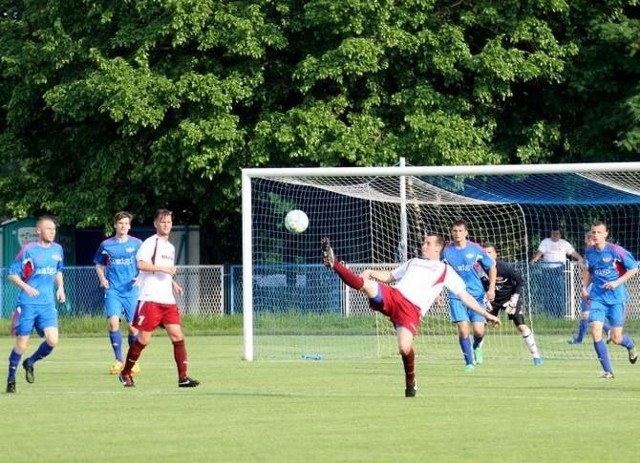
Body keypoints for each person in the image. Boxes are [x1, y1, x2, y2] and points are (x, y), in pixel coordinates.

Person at [321, 235, 501, 398]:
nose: (424, 245)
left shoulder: (445, 271)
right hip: (394, 295)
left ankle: (411, 382)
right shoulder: (413, 261)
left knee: (404, 349)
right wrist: (370, 271)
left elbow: (465, 297)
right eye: (424, 242)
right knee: (365, 285)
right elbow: (389, 276)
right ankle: (335, 263)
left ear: (438, 248)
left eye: (428, 243)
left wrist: (486, 314)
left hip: (411, 310)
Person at [118, 209, 199, 388]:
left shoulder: (170, 247)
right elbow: (141, 264)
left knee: (178, 336)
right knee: (144, 339)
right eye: (162, 222)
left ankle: (183, 377)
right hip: (150, 298)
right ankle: (125, 372)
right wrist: (164, 269)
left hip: (167, 300)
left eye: (169, 222)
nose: (166, 225)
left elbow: (166, 271)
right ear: (155, 223)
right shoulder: (150, 242)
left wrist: (173, 283)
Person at [5, 215, 66, 394]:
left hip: (47, 304)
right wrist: (26, 287)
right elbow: (12, 274)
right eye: (48, 229)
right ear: (39, 231)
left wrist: (61, 287)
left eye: (54, 229)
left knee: (53, 340)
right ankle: (11, 379)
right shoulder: (28, 250)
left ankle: (30, 362)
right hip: (28, 303)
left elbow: (58, 270)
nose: (52, 232)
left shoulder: (57, 249)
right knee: (22, 344)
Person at [582, 221, 638, 379]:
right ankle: (608, 371)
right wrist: (584, 288)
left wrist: (616, 282)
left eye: (599, 232)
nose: (595, 235)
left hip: (616, 299)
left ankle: (631, 345)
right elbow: (588, 271)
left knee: (616, 338)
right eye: (593, 232)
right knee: (595, 331)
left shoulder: (616, 250)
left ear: (606, 234)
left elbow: (634, 268)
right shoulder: (589, 252)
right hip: (598, 298)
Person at [442, 219, 497, 371]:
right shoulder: (446, 251)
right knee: (463, 329)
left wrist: (491, 288)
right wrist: (437, 293)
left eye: (460, 231)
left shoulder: (476, 249)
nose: (457, 234)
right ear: (451, 232)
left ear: (466, 232)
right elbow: (439, 272)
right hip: (456, 295)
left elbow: (492, 266)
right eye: (454, 231)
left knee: (479, 331)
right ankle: (469, 362)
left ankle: (477, 345)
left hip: (476, 295)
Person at [94, 211, 143, 375]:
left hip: (131, 291)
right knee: (113, 323)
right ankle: (118, 360)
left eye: (126, 224)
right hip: (113, 290)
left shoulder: (137, 244)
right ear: (115, 225)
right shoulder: (106, 245)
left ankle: (133, 362)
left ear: (130, 226)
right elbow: (99, 265)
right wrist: (102, 278)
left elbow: (144, 264)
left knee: (133, 328)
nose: (123, 226)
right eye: (120, 223)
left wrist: (140, 277)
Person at [483, 243, 543, 366]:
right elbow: (480, 287)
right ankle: (475, 355)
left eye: (490, 252)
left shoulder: (505, 267)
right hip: (491, 301)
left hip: (508, 299)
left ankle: (536, 356)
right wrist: (485, 301)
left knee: (521, 326)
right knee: (480, 326)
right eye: (485, 253)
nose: (487, 255)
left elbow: (520, 281)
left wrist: (514, 298)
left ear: (496, 254)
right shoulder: (480, 269)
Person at [567, 232, 611, 345]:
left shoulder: (593, 253)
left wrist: (581, 264)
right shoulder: (591, 253)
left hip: (592, 286)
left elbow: (588, 269)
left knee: (587, 314)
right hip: (591, 286)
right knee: (587, 314)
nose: (586, 242)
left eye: (588, 240)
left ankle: (608, 330)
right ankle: (580, 338)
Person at [530, 227, 584, 317]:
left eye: (557, 234)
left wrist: (580, 258)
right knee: (548, 291)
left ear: (560, 235)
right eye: (553, 234)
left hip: (560, 269)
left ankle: (559, 313)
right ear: (550, 234)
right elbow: (540, 252)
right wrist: (535, 259)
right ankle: (549, 313)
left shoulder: (564, 243)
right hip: (547, 269)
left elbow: (573, 252)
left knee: (559, 291)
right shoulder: (545, 242)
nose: (555, 235)